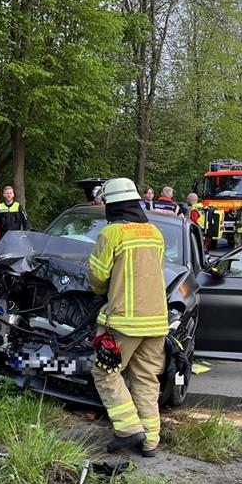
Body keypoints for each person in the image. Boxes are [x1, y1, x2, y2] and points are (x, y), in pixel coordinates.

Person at [88, 177, 168, 458]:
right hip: (157, 322)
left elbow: (97, 277)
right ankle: (150, 441)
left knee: (105, 373)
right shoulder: (155, 233)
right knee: (146, 378)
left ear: (113, 205)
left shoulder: (112, 234)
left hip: (122, 323)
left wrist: (101, 292)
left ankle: (128, 428)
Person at [0, 185, 28, 250]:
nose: (8, 195)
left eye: (10, 193)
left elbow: (25, 222)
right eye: (7, 193)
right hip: (3, 238)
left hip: (16, 237)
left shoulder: (18, 206)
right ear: (4, 195)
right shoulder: (0, 207)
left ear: (13, 194)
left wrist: (25, 236)